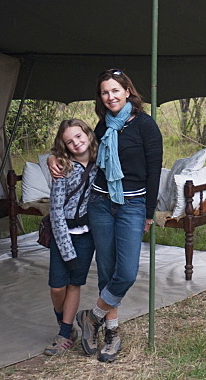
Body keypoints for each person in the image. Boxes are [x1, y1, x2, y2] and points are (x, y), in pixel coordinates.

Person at [49, 69, 163, 362]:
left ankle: (92, 316)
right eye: (104, 92)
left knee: (126, 272)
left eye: (115, 90)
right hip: (100, 204)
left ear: (127, 91)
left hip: (132, 206)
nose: (110, 96)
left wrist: (149, 213)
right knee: (107, 269)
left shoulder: (146, 126)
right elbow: (78, 151)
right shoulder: (100, 127)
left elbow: (153, 173)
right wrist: (53, 158)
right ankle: (112, 333)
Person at [43, 119, 99, 356]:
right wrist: (66, 249)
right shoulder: (62, 168)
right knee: (57, 287)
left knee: (74, 284)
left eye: (79, 136)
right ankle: (61, 320)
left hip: (86, 236)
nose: (76, 143)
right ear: (64, 146)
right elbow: (55, 211)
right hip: (62, 234)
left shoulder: (100, 163)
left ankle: (65, 333)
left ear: (87, 134)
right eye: (69, 141)